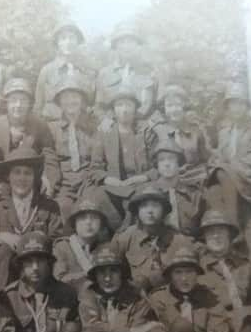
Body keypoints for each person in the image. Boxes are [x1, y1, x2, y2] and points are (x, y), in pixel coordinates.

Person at [0, 231, 80, 332]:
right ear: (20, 265)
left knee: (71, 327)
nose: (35, 267)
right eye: (29, 262)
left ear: (50, 263)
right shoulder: (9, 296)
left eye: (41, 261)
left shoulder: (65, 292)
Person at [78, 246, 167, 332]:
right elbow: (93, 326)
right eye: (101, 272)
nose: (107, 278)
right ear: (95, 275)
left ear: (122, 273)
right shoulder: (88, 294)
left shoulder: (136, 297)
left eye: (113, 271)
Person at [0, 148, 63, 291]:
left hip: (38, 268)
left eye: (27, 173)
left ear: (35, 177)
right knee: (4, 251)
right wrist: (0, 236)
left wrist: (41, 240)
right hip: (7, 271)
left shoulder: (49, 206)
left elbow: (59, 242)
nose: (22, 179)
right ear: (8, 177)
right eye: (17, 172)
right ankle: (5, 302)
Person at [89, 71, 157, 228]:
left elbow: (156, 167)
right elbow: (95, 168)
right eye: (119, 105)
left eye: (128, 105)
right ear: (113, 110)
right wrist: (109, 179)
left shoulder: (145, 132)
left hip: (139, 185)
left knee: (144, 198)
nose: (124, 110)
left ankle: (130, 234)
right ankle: (116, 232)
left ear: (135, 108)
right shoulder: (104, 132)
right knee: (97, 196)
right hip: (114, 185)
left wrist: (139, 178)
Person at [206, 82, 251, 227]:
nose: (237, 108)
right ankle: (218, 237)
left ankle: (234, 227)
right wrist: (216, 160)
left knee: (223, 173)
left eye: (241, 104)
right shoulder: (224, 129)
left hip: (250, 174)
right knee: (212, 189)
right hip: (229, 173)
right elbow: (220, 155)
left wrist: (229, 165)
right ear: (228, 107)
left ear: (247, 107)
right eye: (233, 104)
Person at [111, 185, 198, 293]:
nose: (150, 211)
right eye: (144, 206)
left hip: (172, 302)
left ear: (164, 211)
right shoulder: (126, 238)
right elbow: (112, 271)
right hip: (138, 301)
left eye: (155, 206)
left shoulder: (178, 239)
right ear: (137, 211)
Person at [0, 77, 59, 198]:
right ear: (6, 103)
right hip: (4, 184)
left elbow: (49, 156)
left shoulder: (40, 125)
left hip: (32, 182)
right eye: (13, 100)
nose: (18, 105)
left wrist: (49, 180)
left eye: (23, 100)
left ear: (29, 103)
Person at [47, 74, 98, 225]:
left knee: (91, 209)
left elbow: (99, 158)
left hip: (89, 182)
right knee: (63, 209)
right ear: (60, 102)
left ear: (82, 100)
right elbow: (51, 162)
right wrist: (52, 185)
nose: (71, 101)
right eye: (66, 97)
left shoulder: (96, 125)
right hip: (65, 184)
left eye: (75, 96)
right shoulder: (52, 128)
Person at [52, 193, 111, 291]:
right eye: (83, 218)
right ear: (74, 223)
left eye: (94, 218)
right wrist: (89, 274)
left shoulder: (106, 247)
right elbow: (59, 279)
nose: (88, 222)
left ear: (101, 223)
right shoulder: (62, 247)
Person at [34, 21, 92, 121]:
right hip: (53, 128)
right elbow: (39, 105)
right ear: (57, 43)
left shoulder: (87, 72)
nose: (68, 42)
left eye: (72, 38)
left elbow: (92, 104)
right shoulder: (47, 71)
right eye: (63, 38)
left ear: (78, 42)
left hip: (82, 129)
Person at [149, 138, 204, 236]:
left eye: (171, 158)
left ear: (179, 162)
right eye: (161, 159)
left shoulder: (194, 195)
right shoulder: (148, 193)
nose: (167, 164)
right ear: (156, 164)